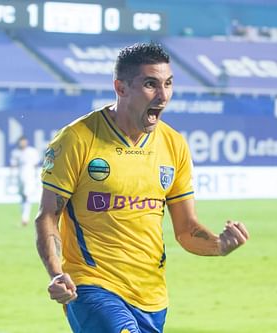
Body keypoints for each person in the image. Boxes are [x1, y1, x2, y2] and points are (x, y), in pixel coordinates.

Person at [35, 42, 250, 333]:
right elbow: (48, 215)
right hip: (90, 285)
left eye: (168, 84)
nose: (163, 95)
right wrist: (57, 273)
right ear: (121, 88)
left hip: (152, 296)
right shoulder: (77, 139)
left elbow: (186, 230)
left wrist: (218, 246)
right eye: (151, 84)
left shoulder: (173, 144)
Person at [10, 136, 40, 226]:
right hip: (20, 176)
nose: (22, 143)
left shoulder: (32, 151)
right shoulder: (15, 153)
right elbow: (13, 165)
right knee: (22, 197)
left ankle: (25, 217)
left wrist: (36, 177)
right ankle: (24, 217)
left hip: (29, 176)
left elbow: (36, 164)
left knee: (27, 195)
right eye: (21, 142)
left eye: (24, 141)